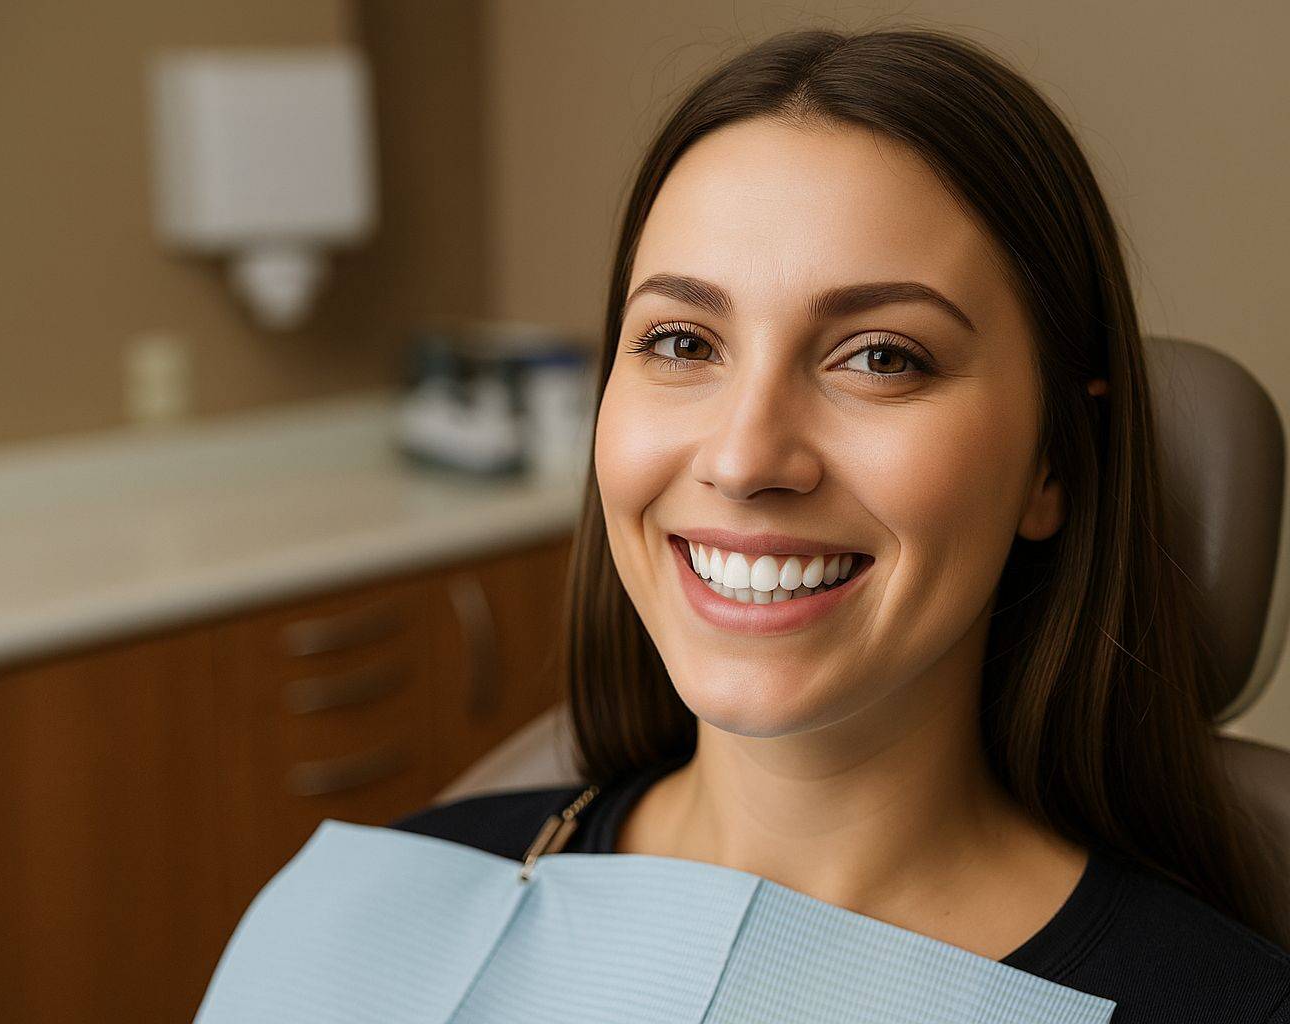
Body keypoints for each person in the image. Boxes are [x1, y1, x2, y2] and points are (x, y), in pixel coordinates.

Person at [391, 23, 1290, 1022]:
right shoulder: (389, 905)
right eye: (683, 340)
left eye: (881, 356)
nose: (743, 459)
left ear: (1053, 461)